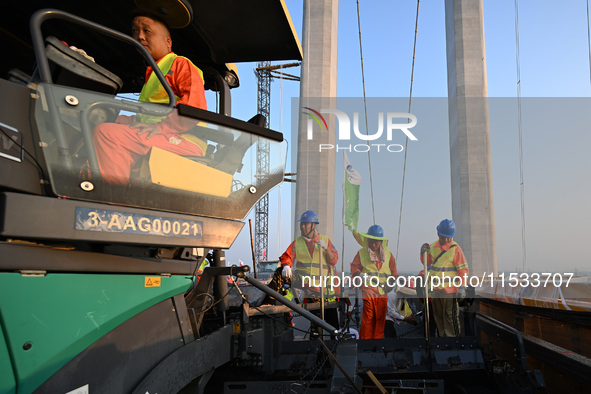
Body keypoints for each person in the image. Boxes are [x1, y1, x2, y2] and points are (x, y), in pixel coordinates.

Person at [93, 10, 207, 184]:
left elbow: (194, 108)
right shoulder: (153, 74)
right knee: (101, 132)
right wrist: (118, 119)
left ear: (168, 42)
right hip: (161, 134)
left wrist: (162, 128)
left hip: (184, 139)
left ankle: (112, 202)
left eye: (147, 31)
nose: (139, 37)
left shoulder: (180, 64)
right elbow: (146, 117)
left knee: (107, 135)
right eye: (134, 31)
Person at [280, 210, 340, 334]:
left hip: (323, 289)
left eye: (305, 224)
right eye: (301, 224)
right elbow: (287, 256)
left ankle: (335, 346)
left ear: (314, 226)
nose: (302, 226)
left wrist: (325, 248)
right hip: (306, 283)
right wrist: (286, 265)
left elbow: (334, 260)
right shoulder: (297, 242)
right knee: (316, 325)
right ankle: (278, 304)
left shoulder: (325, 240)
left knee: (331, 322)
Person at [420, 218, 469, 337]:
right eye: (444, 236)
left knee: (450, 317)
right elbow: (427, 263)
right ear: (438, 234)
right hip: (436, 290)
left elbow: (463, 270)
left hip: (450, 291)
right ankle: (442, 340)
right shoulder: (432, 247)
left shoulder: (456, 249)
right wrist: (422, 254)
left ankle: (453, 342)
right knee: (438, 316)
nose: (447, 240)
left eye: (449, 237)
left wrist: (462, 287)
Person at [350, 224, 398, 339]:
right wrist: (359, 275)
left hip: (382, 291)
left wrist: (390, 284)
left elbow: (394, 273)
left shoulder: (388, 253)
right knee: (369, 317)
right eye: (371, 241)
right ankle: (365, 342)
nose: (373, 244)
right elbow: (354, 267)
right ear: (367, 239)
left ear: (381, 241)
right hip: (368, 289)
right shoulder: (361, 253)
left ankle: (376, 343)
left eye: (376, 242)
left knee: (380, 318)